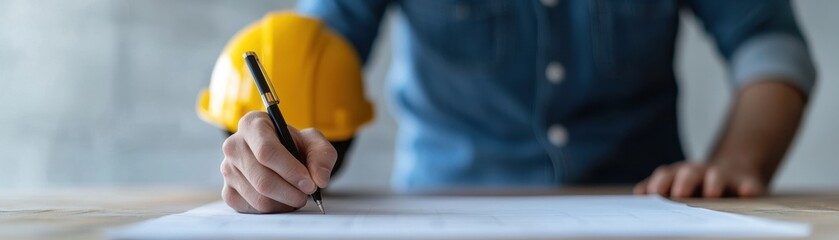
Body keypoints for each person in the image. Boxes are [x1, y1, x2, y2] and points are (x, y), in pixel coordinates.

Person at [218, 0, 817, 213]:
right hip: (440, 219)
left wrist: (741, 159)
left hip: (651, 211)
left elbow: (769, 43)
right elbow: (320, 48)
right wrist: (289, 150)